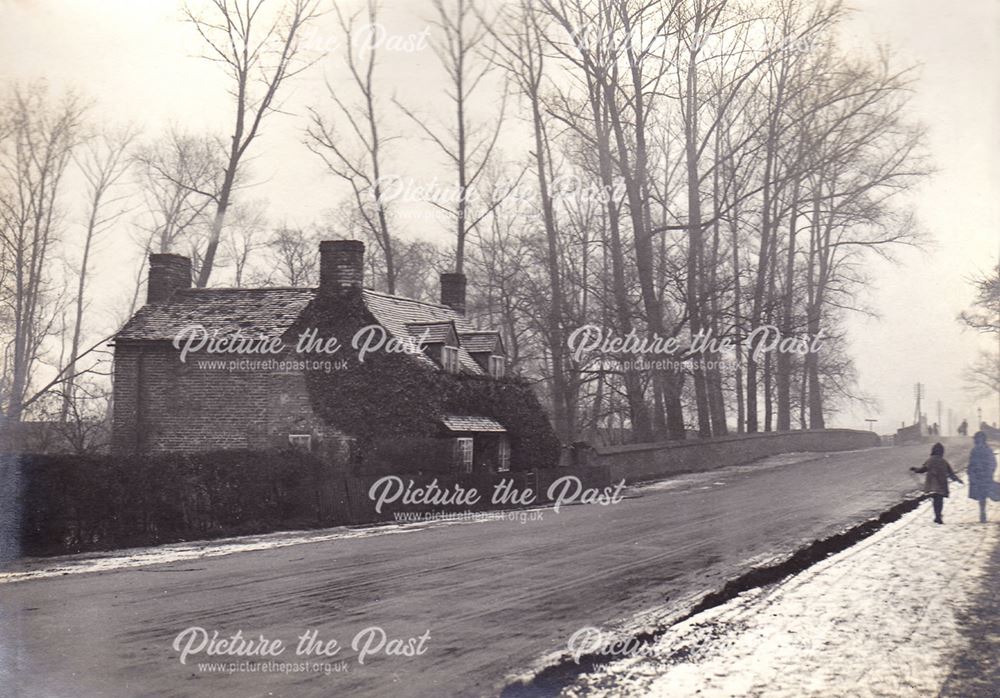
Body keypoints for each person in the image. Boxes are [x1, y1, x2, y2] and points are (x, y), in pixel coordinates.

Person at [911, 442, 963, 524]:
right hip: (941, 485)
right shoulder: (943, 461)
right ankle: (938, 516)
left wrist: (915, 469)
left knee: (935, 500)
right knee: (939, 501)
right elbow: (951, 473)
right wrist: (958, 480)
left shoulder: (930, 460)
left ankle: (937, 516)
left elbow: (923, 469)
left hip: (932, 485)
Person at [967, 431, 998, 523]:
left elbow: (993, 463)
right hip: (979, 477)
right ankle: (982, 513)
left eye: (978, 438)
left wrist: (989, 471)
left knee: (987, 493)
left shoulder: (986, 450)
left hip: (984, 476)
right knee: (982, 495)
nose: (977, 440)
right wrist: (971, 472)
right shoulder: (976, 450)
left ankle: (983, 512)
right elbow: (971, 463)